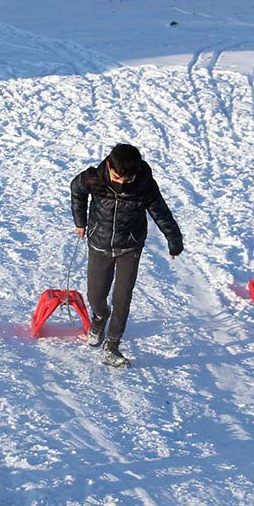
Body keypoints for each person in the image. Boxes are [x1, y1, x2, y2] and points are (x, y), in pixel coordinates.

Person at [70, 143, 183, 368]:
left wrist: (174, 240)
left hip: (130, 247)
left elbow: (161, 213)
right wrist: (80, 221)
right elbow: (77, 190)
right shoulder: (93, 178)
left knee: (122, 298)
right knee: (95, 295)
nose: (122, 183)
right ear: (109, 166)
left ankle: (112, 346)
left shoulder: (145, 186)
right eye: (117, 177)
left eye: (127, 180)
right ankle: (100, 317)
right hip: (99, 243)